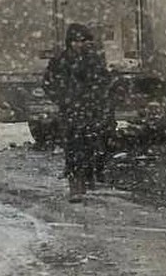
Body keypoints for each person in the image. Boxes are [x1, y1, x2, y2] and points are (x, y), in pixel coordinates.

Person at [43, 23, 115, 201]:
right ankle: (75, 185)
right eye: (76, 41)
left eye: (83, 41)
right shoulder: (60, 61)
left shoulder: (93, 61)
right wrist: (62, 99)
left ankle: (89, 177)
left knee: (92, 145)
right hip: (71, 113)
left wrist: (98, 99)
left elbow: (105, 82)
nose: (80, 45)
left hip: (91, 112)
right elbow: (48, 83)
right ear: (70, 42)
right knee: (73, 149)